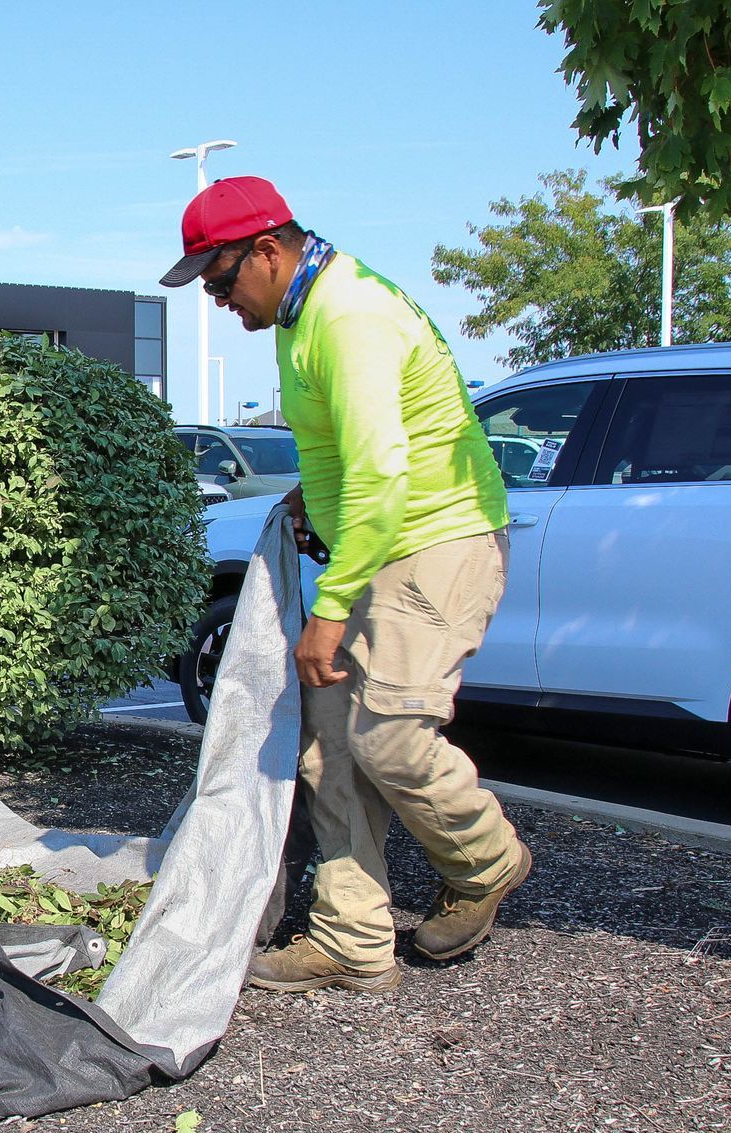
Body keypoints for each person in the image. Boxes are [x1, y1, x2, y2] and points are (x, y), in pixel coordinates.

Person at [159, 176, 530, 993]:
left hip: (435, 541)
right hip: (374, 545)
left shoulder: (349, 317)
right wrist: (306, 499)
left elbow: (385, 477)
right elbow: (340, 453)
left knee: (390, 737)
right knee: (329, 747)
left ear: (268, 250)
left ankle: (487, 857)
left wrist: (328, 614)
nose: (218, 302)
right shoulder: (300, 320)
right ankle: (353, 939)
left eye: (220, 281)